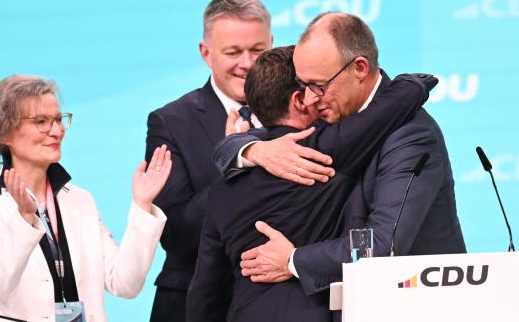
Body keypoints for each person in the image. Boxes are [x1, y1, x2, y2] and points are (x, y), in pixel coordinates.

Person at [214, 12, 466, 298]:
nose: (309, 98)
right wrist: (254, 150)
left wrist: (293, 260)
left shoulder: (411, 135)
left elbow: (383, 244)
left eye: (318, 85)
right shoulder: (331, 111)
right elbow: (247, 140)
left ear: (359, 68)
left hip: (416, 303)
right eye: (303, 85)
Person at [187, 46, 438, 322]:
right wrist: (414, 84)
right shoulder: (325, 152)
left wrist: (246, 149)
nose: (317, 95)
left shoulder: (225, 183)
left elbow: (205, 289)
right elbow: (383, 112)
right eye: (312, 87)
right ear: (299, 100)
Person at [144, 0, 335, 322]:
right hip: (194, 305)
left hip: (290, 302)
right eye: (233, 52)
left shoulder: (311, 112)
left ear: (272, 44)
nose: (247, 63)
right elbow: (176, 235)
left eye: (257, 50)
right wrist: (238, 158)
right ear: (206, 53)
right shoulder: (172, 122)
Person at [0, 75, 171, 322]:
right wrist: (25, 219)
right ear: (5, 132)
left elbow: (125, 283)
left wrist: (142, 206)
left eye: (59, 120)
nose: (57, 131)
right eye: (41, 121)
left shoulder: (81, 201)